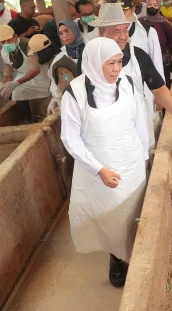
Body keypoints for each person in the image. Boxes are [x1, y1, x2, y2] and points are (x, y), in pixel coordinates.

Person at [60, 37, 148, 288]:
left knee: (134, 211)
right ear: (93, 62)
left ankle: (139, 256)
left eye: (119, 62)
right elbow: (70, 138)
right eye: (110, 63)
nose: (116, 69)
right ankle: (117, 259)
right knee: (112, 218)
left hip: (130, 160)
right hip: (100, 167)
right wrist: (98, 169)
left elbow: (139, 120)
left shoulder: (128, 83)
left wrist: (143, 156)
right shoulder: (74, 93)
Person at [89, 4, 172, 144]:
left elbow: (158, 88)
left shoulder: (138, 56)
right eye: (116, 31)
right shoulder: (90, 61)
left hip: (138, 122)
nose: (123, 37)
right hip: (108, 129)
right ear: (101, 33)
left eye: (125, 30)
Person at [110, 0, 165, 151]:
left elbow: (157, 62)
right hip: (120, 98)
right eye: (117, 10)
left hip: (148, 91)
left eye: (125, 10)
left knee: (152, 130)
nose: (121, 14)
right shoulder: (107, 34)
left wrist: (159, 95)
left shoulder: (147, 31)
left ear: (133, 8)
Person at [0, 25, 52, 124]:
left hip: (43, 76)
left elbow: (36, 70)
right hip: (26, 76)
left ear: (16, 37)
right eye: (3, 42)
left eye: (8, 40)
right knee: (17, 91)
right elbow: (8, 74)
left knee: (49, 100)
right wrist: (2, 84)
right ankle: (27, 120)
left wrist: (16, 83)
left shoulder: (29, 45)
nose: (6, 44)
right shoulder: (4, 52)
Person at [142, 0, 172, 88]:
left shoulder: (164, 23)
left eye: (155, 4)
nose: (152, 7)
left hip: (162, 59)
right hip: (146, 58)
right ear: (146, 6)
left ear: (158, 7)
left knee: (163, 82)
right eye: (149, 4)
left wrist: (163, 51)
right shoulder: (141, 22)